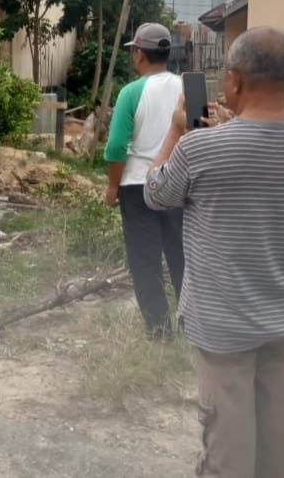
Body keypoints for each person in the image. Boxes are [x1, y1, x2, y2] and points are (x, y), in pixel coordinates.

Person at [144, 26, 284, 478]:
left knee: (228, 457)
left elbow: (155, 193)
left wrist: (175, 131)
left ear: (232, 80)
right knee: (279, 450)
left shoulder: (200, 147)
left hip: (224, 328)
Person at [103, 22, 184, 338]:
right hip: (179, 184)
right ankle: (192, 322)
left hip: (138, 186)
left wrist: (112, 187)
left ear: (139, 54)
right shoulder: (187, 87)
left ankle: (160, 330)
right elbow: (200, 133)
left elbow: (115, 146)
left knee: (145, 259)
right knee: (182, 255)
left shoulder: (130, 92)